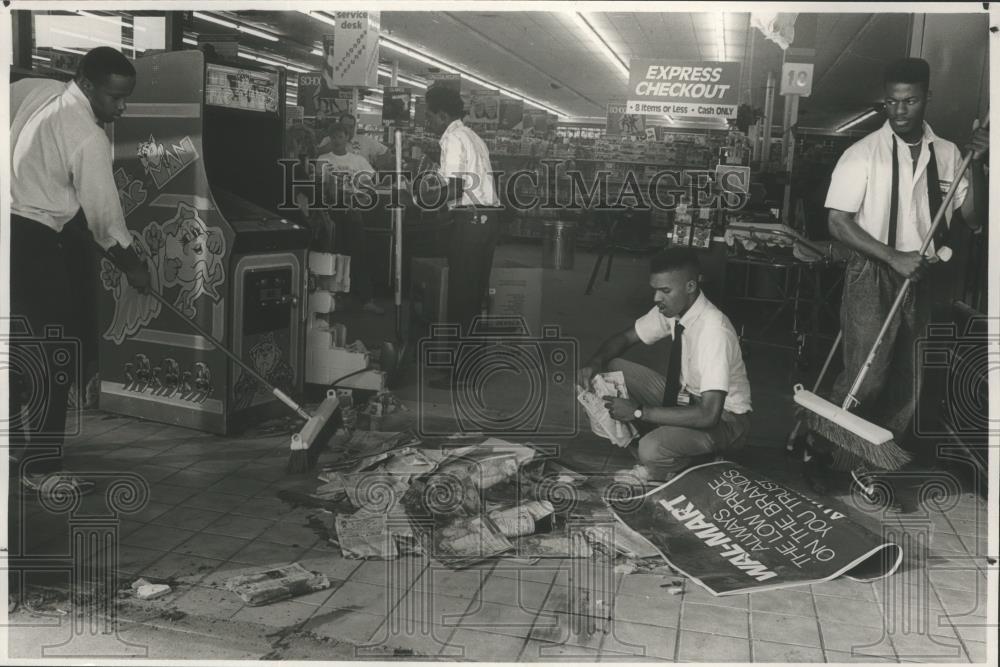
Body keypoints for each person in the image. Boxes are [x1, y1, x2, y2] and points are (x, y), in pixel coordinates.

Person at [817, 57, 989, 483]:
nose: (899, 110)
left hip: (925, 275)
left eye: (909, 101)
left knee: (909, 379)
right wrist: (893, 257)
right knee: (866, 374)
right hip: (873, 270)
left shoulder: (950, 154)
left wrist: (981, 164)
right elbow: (837, 222)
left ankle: (875, 465)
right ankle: (831, 457)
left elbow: (972, 217)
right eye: (891, 102)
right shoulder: (862, 155)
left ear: (926, 98)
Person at [9, 46, 150, 498]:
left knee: (14, 347)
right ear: (87, 85)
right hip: (31, 239)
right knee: (55, 355)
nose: (121, 107)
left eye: (126, 97)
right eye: (114, 98)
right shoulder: (89, 137)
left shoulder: (34, 90)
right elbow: (106, 220)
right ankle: (42, 466)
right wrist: (133, 267)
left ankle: (11, 446)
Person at [579, 248, 752, 483]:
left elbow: (709, 414)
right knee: (610, 368)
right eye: (655, 290)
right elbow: (625, 338)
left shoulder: (714, 331)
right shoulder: (673, 309)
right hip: (686, 398)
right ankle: (660, 444)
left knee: (650, 450)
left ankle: (696, 462)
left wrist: (638, 411)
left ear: (691, 287)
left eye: (665, 291)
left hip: (726, 420)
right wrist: (593, 363)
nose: (656, 299)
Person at [421, 83, 501, 343]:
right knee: (476, 295)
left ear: (443, 115)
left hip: (470, 222)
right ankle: (473, 366)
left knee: (461, 296)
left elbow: (454, 188)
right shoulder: (473, 136)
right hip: (487, 220)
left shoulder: (453, 138)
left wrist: (421, 200)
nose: (427, 121)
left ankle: (460, 373)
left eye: (429, 116)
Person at [316, 123, 384, 315]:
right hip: (331, 212)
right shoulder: (323, 159)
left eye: (340, 136)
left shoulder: (358, 160)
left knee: (359, 254)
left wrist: (360, 193)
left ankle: (366, 299)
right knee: (333, 254)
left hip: (352, 210)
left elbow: (370, 184)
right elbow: (319, 187)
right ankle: (333, 299)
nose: (337, 140)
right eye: (333, 137)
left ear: (347, 138)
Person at [317, 112, 392, 168]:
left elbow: (386, 151)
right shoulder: (329, 139)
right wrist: (331, 144)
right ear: (339, 125)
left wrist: (376, 168)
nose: (348, 129)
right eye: (345, 126)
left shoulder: (364, 140)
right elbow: (317, 155)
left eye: (351, 127)